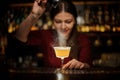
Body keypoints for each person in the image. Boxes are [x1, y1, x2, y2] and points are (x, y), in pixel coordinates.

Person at [6, 0, 92, 69]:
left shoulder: (83, 39)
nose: (63, 26)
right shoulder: (46, 35)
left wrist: (82, 65)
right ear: (52, 21)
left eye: (68, 22)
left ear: (75, 21)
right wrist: (34, 15)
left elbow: (88, 65)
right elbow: (19, 36)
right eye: (58, 22)